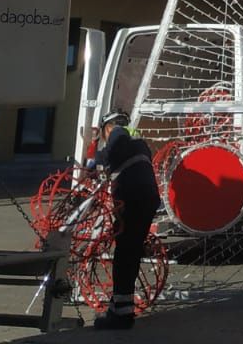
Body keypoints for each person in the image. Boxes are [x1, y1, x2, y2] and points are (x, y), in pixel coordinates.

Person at [93, 112, 160, 330]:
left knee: (124, 255)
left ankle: (121, 315)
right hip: (147, 198)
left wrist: (95, 160)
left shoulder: (118, 133)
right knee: (130, 251)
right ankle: (121, 308)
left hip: (133, 197)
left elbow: (112, 152)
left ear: (108, 128)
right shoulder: (137, 141)